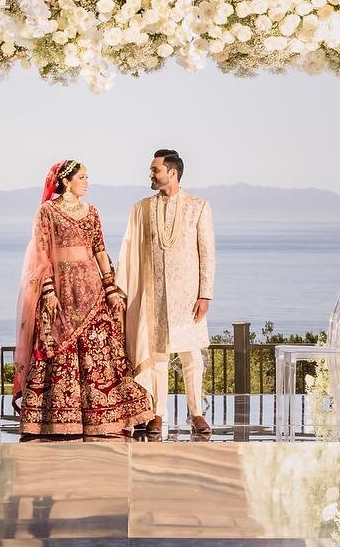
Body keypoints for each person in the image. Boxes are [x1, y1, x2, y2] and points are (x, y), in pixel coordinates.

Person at [13, 159, 155, 439]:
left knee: (99, 351)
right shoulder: (47, 212)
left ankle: (102, 416)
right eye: (82, 177)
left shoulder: (91, 212)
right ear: (66, 181)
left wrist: (111, 288)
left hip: (92, 290)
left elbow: (100, 250)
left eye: (88, 177)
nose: (87, 182)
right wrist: (49, 291)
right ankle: (58, 419)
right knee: (58, 353)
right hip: (61, 292)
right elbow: (42, 253)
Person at [117, 148, 216, 440]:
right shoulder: (143, 209)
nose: (150, 174)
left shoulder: (198, 206)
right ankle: (157, 414)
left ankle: (196, 413)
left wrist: (205, 294)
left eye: (155, 170)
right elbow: (128, 247)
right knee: (157, 357)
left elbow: (207, 253)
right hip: (155, 295)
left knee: (191, 358)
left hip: (189, 297)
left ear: (172, 173)